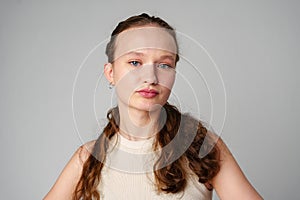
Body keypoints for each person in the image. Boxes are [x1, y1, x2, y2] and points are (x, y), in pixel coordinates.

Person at [44, 13, 262, 200]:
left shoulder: (203, 146)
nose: (150, 77)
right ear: (111, 73)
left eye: (164, 65)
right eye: (135, 62)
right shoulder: (87, 158)